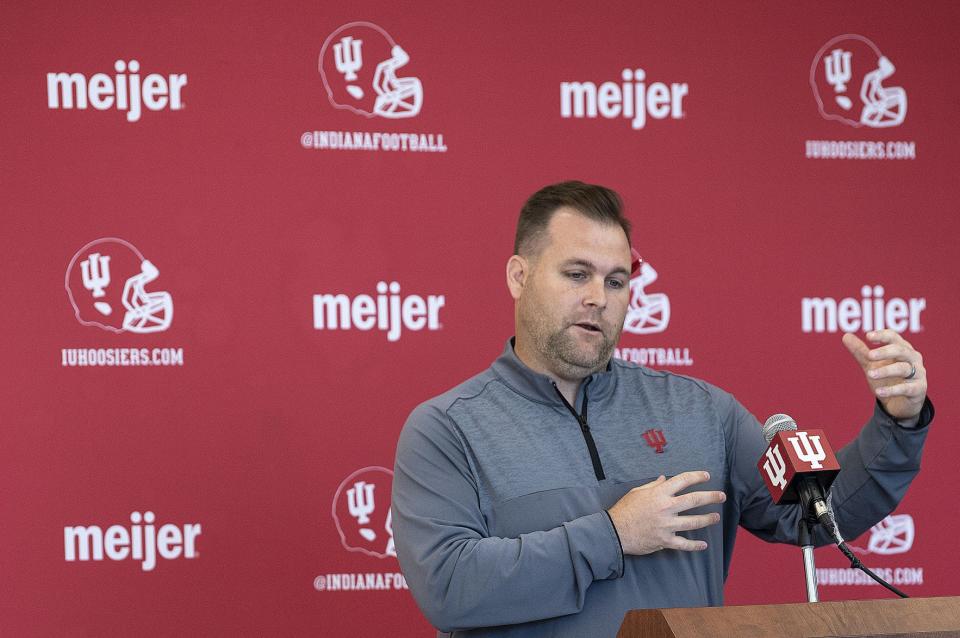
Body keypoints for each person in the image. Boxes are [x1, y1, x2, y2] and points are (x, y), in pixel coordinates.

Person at [391, 181, 932, 637]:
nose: (599, 297)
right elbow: (449, 585)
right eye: (576, 274)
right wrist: (613, 535)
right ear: (519, 275)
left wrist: (899, 421)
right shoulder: (447, 428)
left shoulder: (701, 410)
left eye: (617, 280)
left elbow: (814, 515)